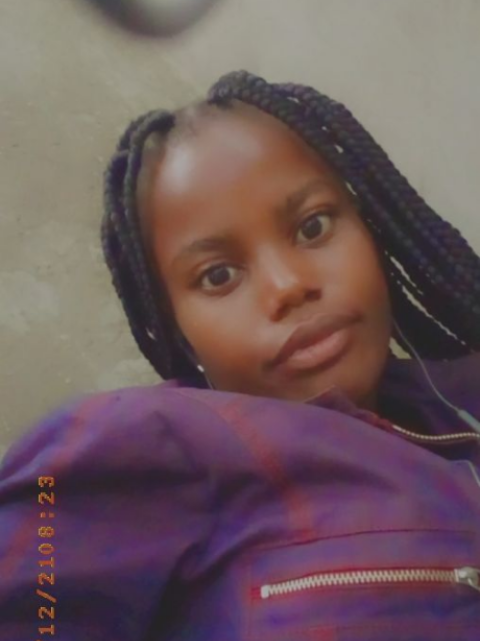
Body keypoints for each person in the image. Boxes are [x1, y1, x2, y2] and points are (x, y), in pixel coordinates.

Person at [1, 70, 480, 640]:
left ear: (373, 230)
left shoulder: (458, 399)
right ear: (177, 329)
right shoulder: (149, 445)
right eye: (218, 275)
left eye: (312, 227)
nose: (287, 285)